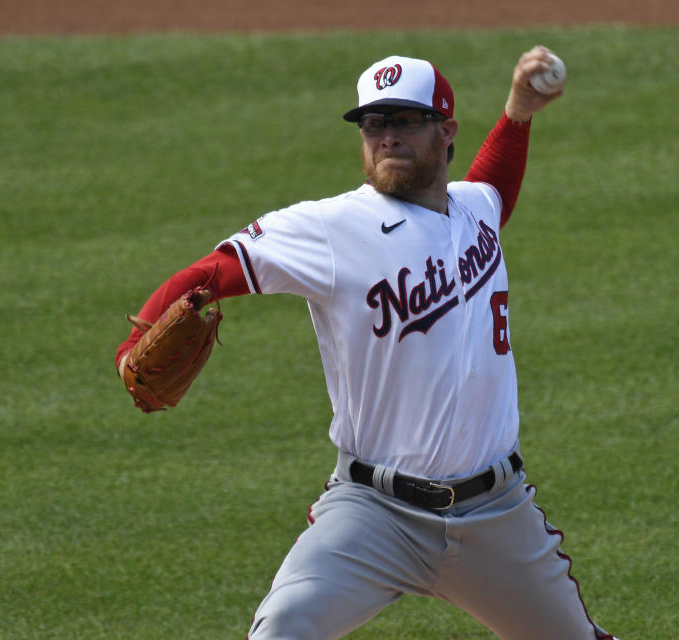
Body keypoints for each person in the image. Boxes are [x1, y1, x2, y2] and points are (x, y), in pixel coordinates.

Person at [117, 46, 618, 640]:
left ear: (446, 131)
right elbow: (209, 273)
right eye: (374, 125)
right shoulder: (330, 228)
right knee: (283, 628)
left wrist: (518, 112)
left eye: (405, 121)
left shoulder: (475, 210)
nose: (387, 137)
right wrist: (135, 342)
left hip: (496, 515)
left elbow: (493, 189)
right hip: (374, 514)